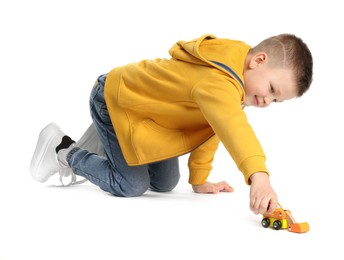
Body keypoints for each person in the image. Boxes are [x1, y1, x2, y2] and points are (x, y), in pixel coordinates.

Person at [30, 33, 313, 215]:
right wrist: (259, 176)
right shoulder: (218, 80)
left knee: (166, 183)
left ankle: (108, 140)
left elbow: (212, 126)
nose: (267, 101)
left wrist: (199, 179)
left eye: (276, 101)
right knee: (130, 185)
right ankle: (64, 149)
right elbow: (232, 128)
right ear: (259, 60)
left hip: (150, 116)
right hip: (116, 99)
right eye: (272, 89)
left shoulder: (236, 77)